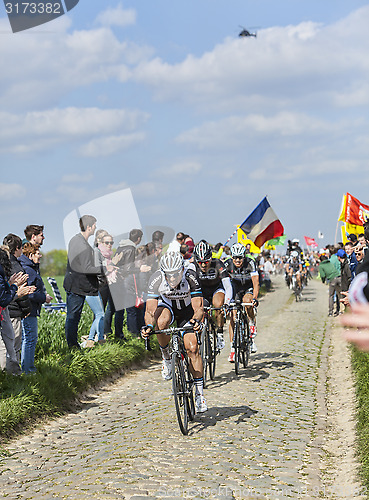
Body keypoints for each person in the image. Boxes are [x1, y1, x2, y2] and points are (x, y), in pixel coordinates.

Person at [141, 252, 206, 413]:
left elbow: (198, 308)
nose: (172, 278)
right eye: (168, 275)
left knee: (192, 349)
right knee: (160, 322)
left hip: (186, 311)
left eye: (175, 274)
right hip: (167, 307)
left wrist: (197, 321)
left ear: (182, 270)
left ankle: (199, 394)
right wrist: (149, 326)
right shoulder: (156, 278)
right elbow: (150, 310)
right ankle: (166, 357)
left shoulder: (191, 276)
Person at [63, 215, 109, 349]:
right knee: (73, 318)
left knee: (74, 317)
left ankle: (73, 345)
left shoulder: (78, 241)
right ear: (89, 227)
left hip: (79, 286)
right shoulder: (80, 243)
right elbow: (86, 268)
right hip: (76, 287)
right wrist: (105, 268)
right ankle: (72, 346)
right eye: (94, 225)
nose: (95, 227)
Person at [193, 240, 232, 350]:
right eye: (200, 262)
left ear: (211, 258)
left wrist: (227, 303)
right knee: (199, 309)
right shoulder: (192, 266)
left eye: (206, 261)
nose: (203, 264)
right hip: (202, 292)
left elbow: (228, 286)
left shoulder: (218, 263)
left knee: (218, 305)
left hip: (216, 289)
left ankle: (219, 333)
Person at [18, 243, 51, 373]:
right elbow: (29, 292)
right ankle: (28, 370)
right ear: (31, 255)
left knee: (27, 338)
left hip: (27, 309)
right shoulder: (30, 270)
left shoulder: (28, 267)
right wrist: (44, 298)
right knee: (30, 338)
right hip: (29, 309)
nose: (40, 255)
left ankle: (26, 368)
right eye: (38, 253)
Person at [225, 243, 259, 359]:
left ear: (244, 256)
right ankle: (233, 349)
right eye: (235, 257)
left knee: (247, 302)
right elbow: (223, 283)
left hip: (247, 287)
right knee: (233, 316)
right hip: (235, 289)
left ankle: (251, 324)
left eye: (240, 257)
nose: (237, 260)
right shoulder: (227, 264)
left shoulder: (250, 263)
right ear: (232, 257)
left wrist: (254, 298)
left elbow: (256, 283)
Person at [3, 234, 32, 364]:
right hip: (13, 311)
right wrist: (26, 310)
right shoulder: (16, 266)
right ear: (17, 249)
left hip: (5, 310)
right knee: (13, 346)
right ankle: (13, 376)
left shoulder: (5, 264)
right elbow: (22, 293)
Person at [111, 229, 143, 336]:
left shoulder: (121, 246)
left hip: (116, 279)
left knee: (117, 310)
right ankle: (133, 333)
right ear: (138, 238)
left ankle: (115, 333)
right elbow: (128, 268)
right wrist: (140, 269)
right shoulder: (131, 248)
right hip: (125, 281)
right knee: (131, 308)